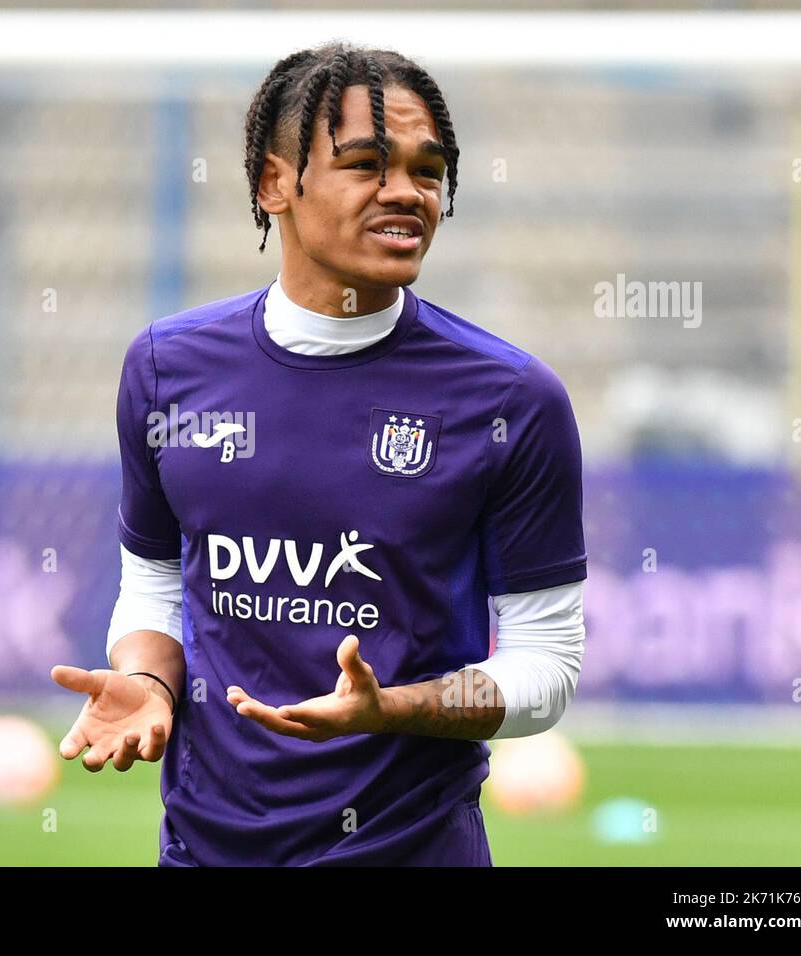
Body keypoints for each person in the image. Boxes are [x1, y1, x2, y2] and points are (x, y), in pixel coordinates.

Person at [51, 41, 587, 866]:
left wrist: (393, 708)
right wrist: (151, 680)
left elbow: (546, 667)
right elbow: (154, 585)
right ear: (275, 184)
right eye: (367, 163)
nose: (406, 193)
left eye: (428, 170)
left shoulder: (512, 401)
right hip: (203, 849)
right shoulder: (166, 369)